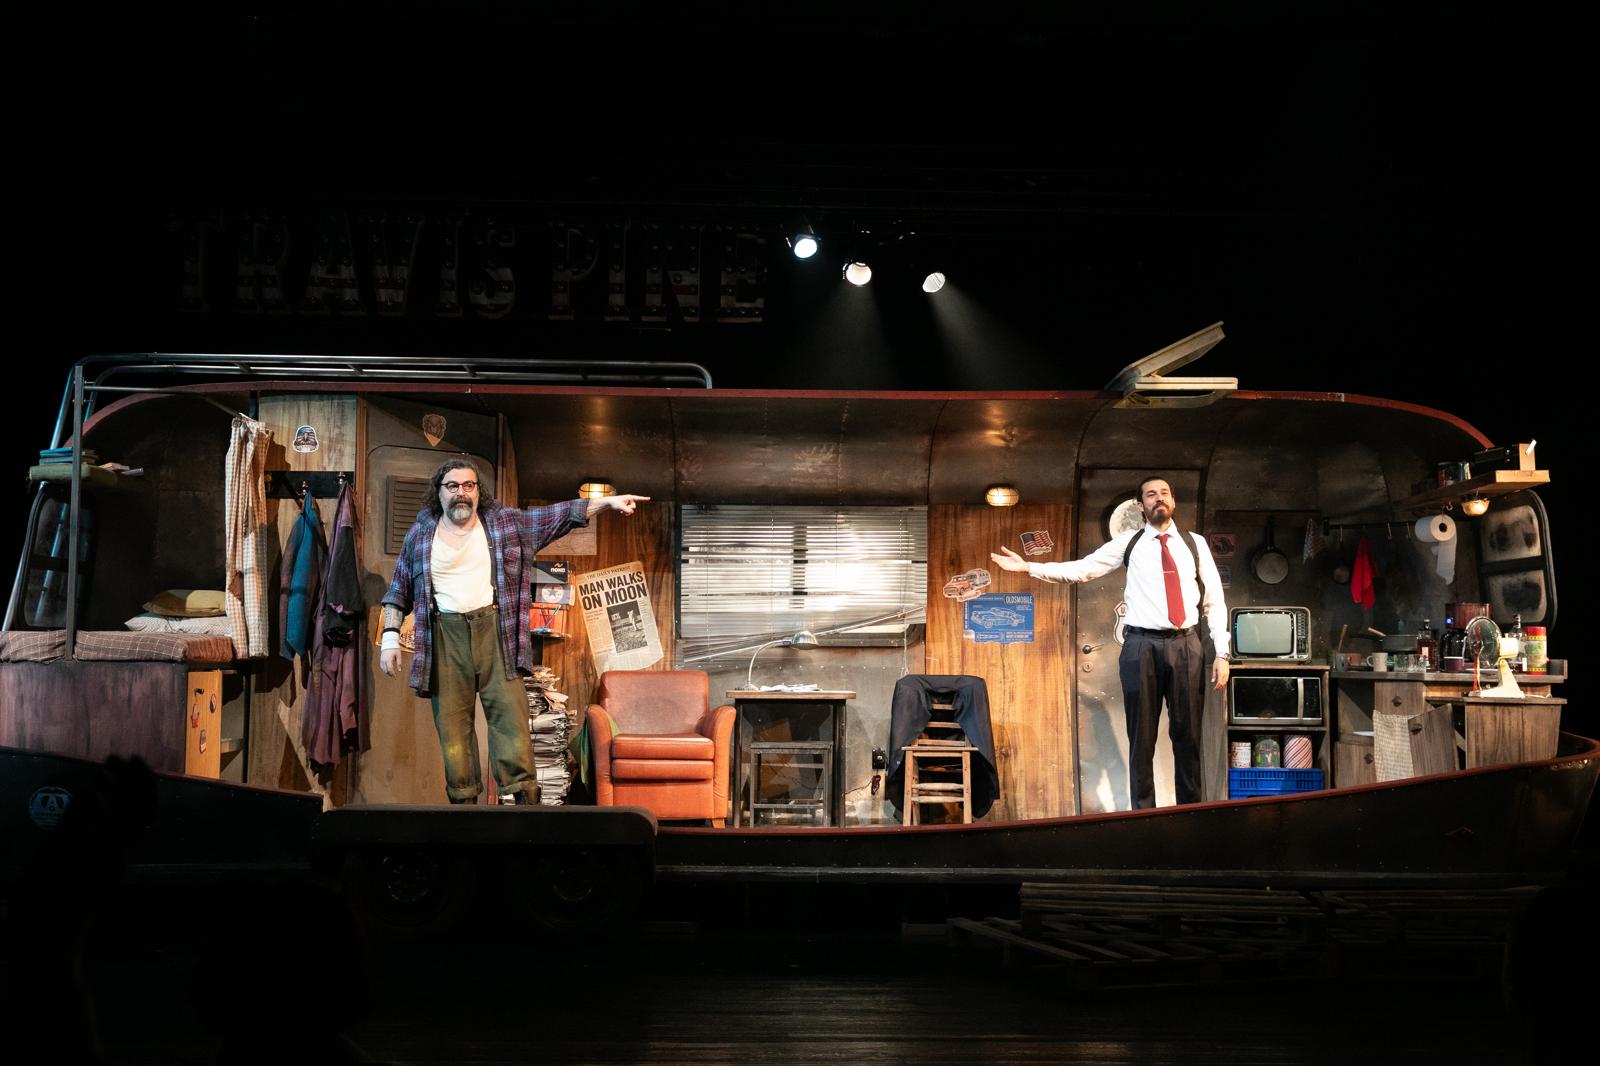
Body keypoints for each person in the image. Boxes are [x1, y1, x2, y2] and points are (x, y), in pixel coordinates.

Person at [380, 458, 647, 804]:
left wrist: (607, 503)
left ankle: (525, 812)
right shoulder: (420, 534)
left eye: (469, 486)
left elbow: (558, 515)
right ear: (439, 492)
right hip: (445, 636)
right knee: (453, 731)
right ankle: (463, 811)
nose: (461, 493)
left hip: (496, 633)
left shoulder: (504, 523)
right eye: (453, 486)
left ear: (478, 491)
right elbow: (398, 588)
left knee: (511, 724)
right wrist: (390, 639)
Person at [991, 476, 1229, 809]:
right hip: (1141, 646)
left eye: (1164, 493)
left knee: (1188, 737)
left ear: (1173, 501)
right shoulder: (1130, 543)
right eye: (1151, 495)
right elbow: (1083, 570)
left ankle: (1191, 814)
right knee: (1141, 739)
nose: (1158, 498)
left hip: (1186, 645)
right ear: (1141, 506)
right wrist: (1029, 566)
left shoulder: (1195, 544)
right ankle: (1143, 816)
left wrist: (1222, 653)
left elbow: (1214, 600)